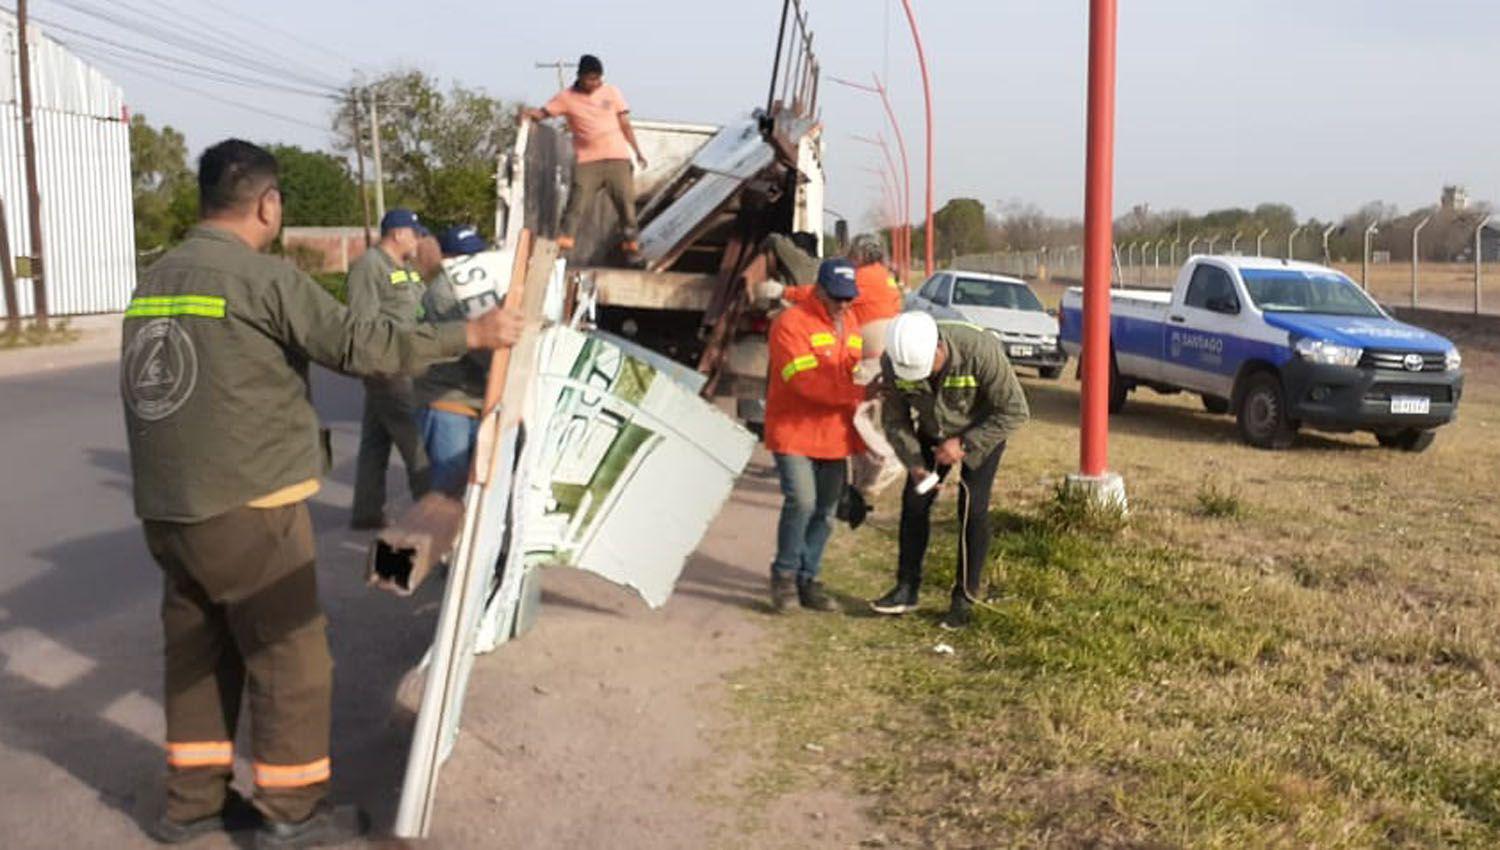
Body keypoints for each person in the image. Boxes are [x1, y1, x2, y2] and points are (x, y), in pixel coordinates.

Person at [121, 139, 523, 848]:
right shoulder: (261, 278)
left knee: (198, 652)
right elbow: (359, 344)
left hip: (167, 509)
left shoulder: (156, 277)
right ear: (268, 204)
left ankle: (192, 806)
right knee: (291, 659)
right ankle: (292, 812)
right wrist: (472, 331)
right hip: (249, 504)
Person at [870, 311, 1030, 630]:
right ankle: (906, 588)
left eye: (926, 369)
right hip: (931, 432)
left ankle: (964, 598)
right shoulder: (893, 360)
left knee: (972, 508)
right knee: (915, 501)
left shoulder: (981, 351)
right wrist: (915, 464)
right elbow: (895, 420)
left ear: (939, 348)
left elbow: (1014, 410)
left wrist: (965, 444)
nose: (920, 377)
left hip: (982, 432)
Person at [763, 258, 868, 612]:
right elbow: (803, 381)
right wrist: (856, 394)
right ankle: (785, 577)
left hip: (834, 436)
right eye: (837, 297)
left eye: (848, 298)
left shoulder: (851, 322)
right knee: (802, 502)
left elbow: (851, 367)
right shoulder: (790, 324)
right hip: (793, 430)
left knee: (825, 511)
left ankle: (809, 578)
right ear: (819, 290)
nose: (843, 305)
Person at [346, 208, 430, 529]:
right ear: (397, 234)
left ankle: (366, 512)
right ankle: (428, 519)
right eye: (415, 233)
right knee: (416, 444)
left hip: (404, 363)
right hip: (389, 369)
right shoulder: (369, 267)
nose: (418, 240)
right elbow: (361, 321)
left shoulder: (406, 268)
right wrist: (376, 364)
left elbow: (416, 307)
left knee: (375, 442)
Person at [524, 54, 648, 260]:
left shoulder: (612, 92)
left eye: (598, 78)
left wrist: (637, 152)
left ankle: (632, 248)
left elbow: (625, 124)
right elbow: (544, 113)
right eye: (591, 79)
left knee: (626, 204)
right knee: (577, 203)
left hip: (618, 158)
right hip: (588, 161)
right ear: (581, 77)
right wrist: (527, 115)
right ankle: (563, 246)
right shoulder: (566, 97)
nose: (595, 83)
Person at [413, 224, 491, 494]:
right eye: (460, 257)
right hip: (448, 403)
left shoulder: (478, 289)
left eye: (474, 256)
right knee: (446, 493)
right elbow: (478, 348)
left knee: (463, 491)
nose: (469, 264)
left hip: (471, 401)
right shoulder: (442, 293)